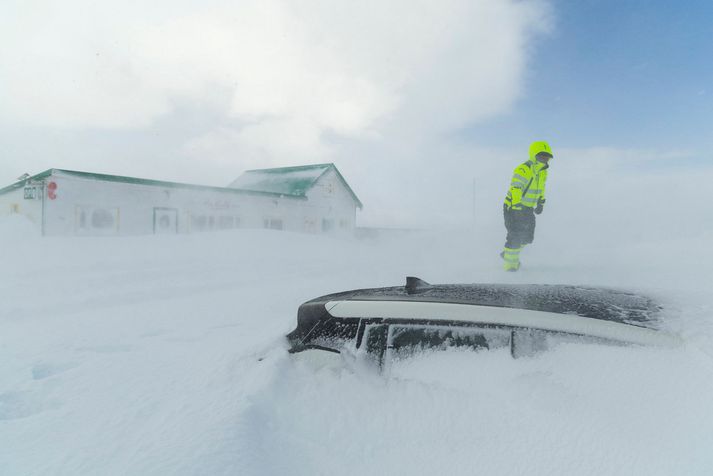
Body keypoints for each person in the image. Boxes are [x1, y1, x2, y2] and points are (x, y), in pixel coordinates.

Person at [501, 141, 553, 271]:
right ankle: (510, 267)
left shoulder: (542, 172)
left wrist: (541, 202)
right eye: (541, 156)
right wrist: (517, 206)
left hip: (527, 208)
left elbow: (541, 188)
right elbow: (516, 188)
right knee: (515, 236)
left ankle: (507, 254)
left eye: (546, 157)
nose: (544, 159)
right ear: (534, 155)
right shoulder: (524, 169)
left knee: (528, 238)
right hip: (513, 208)